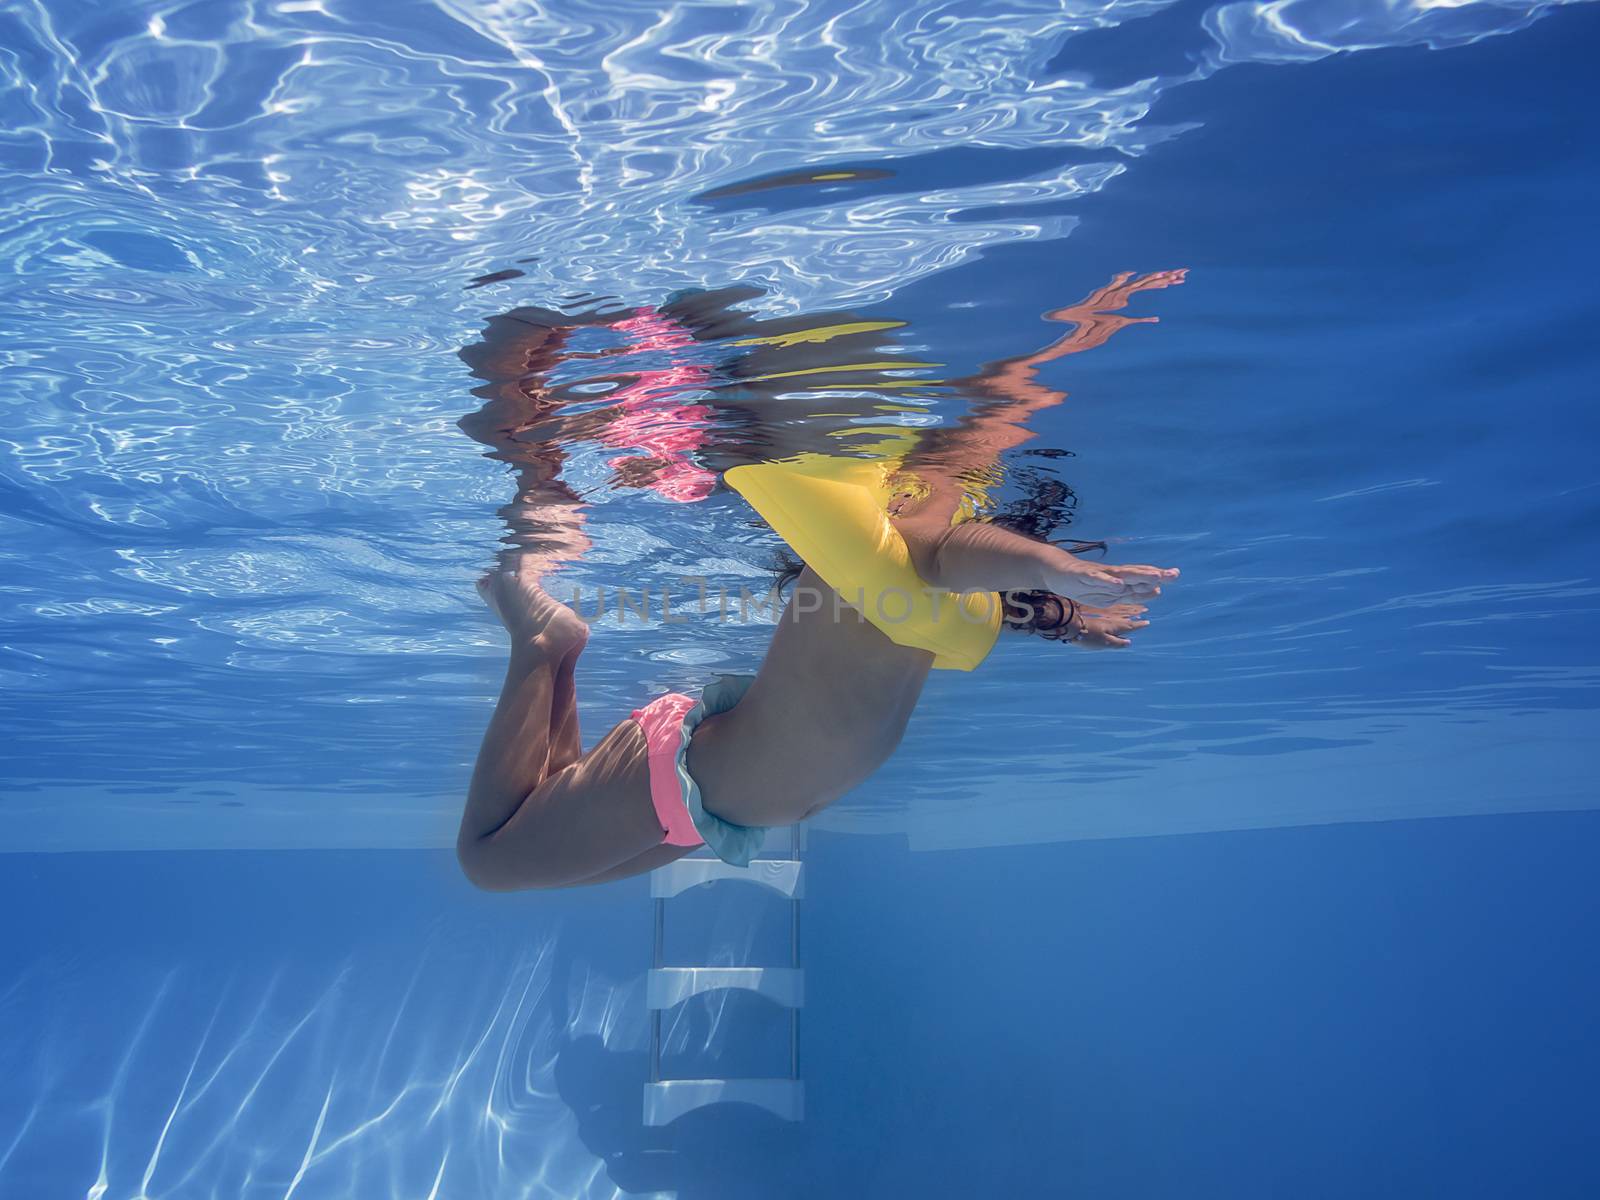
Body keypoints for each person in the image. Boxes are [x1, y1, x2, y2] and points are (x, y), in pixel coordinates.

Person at [454, 271, 1184, 890]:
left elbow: (981, 553)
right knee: (491, 860)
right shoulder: (905, 547)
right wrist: (1068, 580)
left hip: (717, 797)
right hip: (707, 791)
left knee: (516, 844)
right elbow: (968, 549)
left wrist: (1069, 609)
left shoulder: (901, 553)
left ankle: (548, 646)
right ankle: (541, 640)